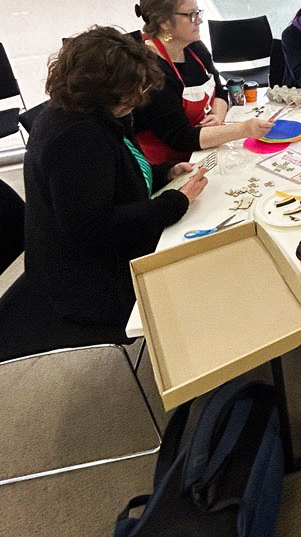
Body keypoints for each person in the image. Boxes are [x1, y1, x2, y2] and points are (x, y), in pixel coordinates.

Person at [0, 27, 208, 359]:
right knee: (202, 264)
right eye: (131, 89)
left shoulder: (89, 115)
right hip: (87, 282)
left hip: (88, 256)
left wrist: (162, 173)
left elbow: (116, 179)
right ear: (103, 91)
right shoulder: (77, 138)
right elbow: (94, 228)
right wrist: (176, 201)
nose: (139, 96)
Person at [133, 0, 271, 164]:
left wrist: (218, 116)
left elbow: (220, 89)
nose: (199, 20)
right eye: (191, 15)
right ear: (164, 22)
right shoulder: (151, 68)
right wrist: (244, 129)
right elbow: (182, 138)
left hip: (203, 148)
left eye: (198, 13)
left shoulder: (194, 47)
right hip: (170, 165)